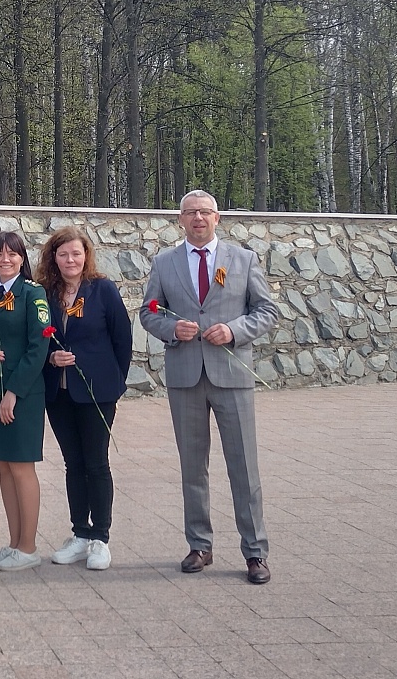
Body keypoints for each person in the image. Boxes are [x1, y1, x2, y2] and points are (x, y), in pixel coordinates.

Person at [139, 189, 279, 585]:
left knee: (244, 466)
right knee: (192, 467)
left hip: (231, 376)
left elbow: (266, 311)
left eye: (205, 212)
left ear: (217, 218)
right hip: (186, 376)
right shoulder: (164, 263)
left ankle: (255, 552)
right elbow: (148, 312)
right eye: (190, 213)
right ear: (180, 220)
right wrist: (172, 328)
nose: (198, 219)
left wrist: (234, 331)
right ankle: (199, 545)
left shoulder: (244, 259)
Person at [37, 225, 133, 572]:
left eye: (76, 253)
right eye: (63, 254)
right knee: (72, 463)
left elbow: (122, 340)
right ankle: (79, 533)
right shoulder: (45, 293)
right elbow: (38, 340)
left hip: (97, 392)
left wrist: (113, 383)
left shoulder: (102, 290)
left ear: (86, 255)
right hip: (58, 392)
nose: (70, 260)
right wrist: (51, 358)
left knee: (96, 463)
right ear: (54, 258)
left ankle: (101, 539)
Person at [0, 231, 52, 571]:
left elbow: (39, 347)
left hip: (23, 393)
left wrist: (14, 392)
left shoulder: (33, 294)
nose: (5, 259)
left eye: (12, 254)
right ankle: (14, 542)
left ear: (23, 258)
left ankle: (30, 546)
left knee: (21, 466)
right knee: (3, 466)